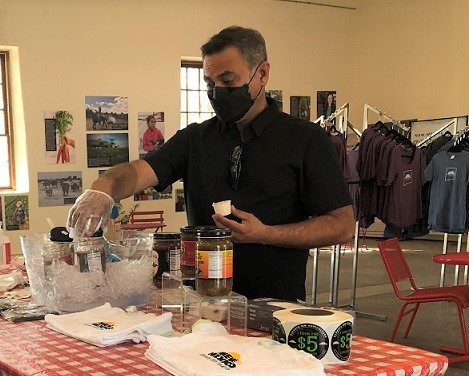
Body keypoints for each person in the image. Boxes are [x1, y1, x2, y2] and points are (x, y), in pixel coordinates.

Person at [68, 26, 354, 301]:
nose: (217, 92)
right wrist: (102, 190)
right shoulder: (195, 139)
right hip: (202, 306)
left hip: (274, 307)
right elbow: (137, 172)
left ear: (263, 74)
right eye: (209, 83)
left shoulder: (306, 140)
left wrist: (265, 234)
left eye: (228, 82)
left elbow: (341, 225)